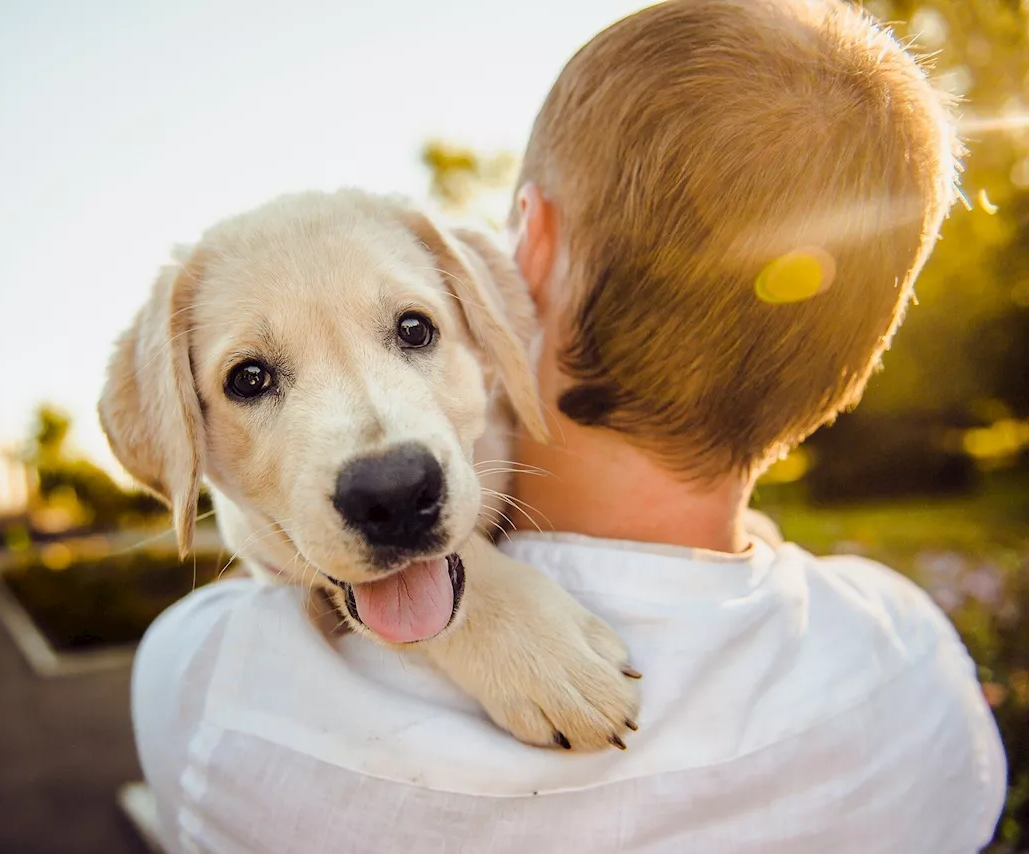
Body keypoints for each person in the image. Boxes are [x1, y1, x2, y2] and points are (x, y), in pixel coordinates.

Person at [130, 1, 1008, 851]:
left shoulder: (212, 691)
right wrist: (477, 602)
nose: (382, 459)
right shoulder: (914, 664)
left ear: (527, 251)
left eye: (412, 331)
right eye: (253, 378)